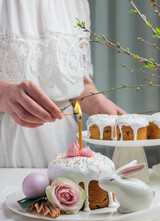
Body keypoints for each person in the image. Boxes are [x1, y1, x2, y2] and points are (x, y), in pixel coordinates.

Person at [0, 0, 125, 168]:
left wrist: (99, 103)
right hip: (7, 147)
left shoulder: (75, 3)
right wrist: (4, 95)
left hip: (63, 145)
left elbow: (76, 82)